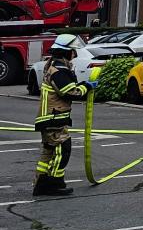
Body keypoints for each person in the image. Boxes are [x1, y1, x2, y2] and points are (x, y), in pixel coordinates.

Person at [33, 34, 96, 196]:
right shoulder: (59, 70)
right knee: (63, 149)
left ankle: (40, 182)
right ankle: (53, 183)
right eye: (73, 51)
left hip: (48, 118)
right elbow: (70, 92)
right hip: (53, 118)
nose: (74, 55)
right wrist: (86, 87)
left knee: (49, 151)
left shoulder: (53, 65)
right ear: (66, 52)